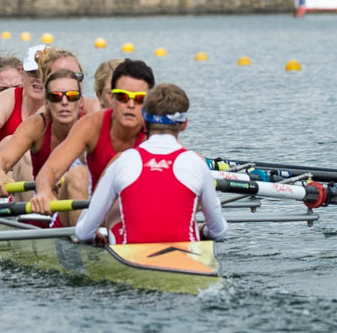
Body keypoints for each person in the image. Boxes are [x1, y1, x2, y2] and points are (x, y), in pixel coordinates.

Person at [70, 81, 229, 247]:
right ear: (184, 125)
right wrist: (204, 231)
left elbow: (83, 232)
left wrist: (92, 237)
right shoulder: (196, 163)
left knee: (115, 214)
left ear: (144, 122)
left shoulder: (122, 161)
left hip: (132, 260)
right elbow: (219, 231)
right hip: (188, 261)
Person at [31, 57, 153, 214]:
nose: (130, 104)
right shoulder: (91, 125)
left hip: (128, 213)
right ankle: (80, 236)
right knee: (77, 175)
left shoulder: (156, 130)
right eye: (122, 96)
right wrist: (44, 191)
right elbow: (50, 170)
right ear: (111, 97)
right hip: (90, 213)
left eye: (139, 98)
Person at [0, 52, 93, 202]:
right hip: (43, 205)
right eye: (56, 96)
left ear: (81, 101)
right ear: (46, 102)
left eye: (72, 96)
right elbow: (0, 162)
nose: (64, 102)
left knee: (78, 177)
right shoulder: (36, 126)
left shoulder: (94, 119)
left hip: (81, 204)